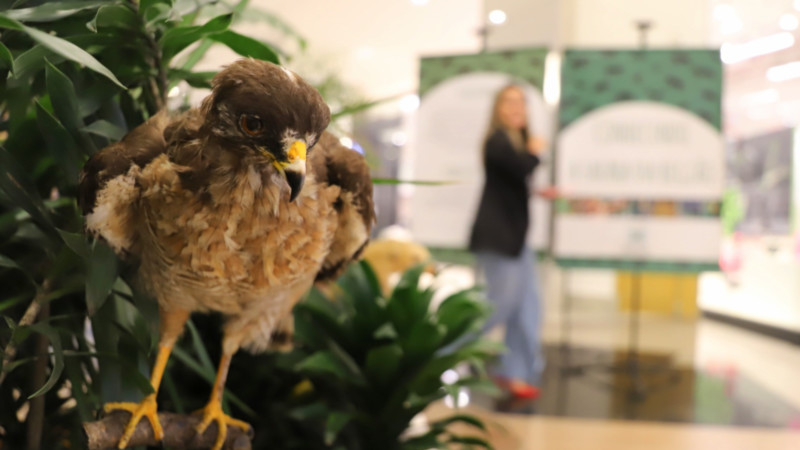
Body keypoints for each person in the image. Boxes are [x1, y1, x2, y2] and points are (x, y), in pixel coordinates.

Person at [468, 84, 552, 400]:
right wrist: (535, 152)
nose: (517, 107)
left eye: (521, 102)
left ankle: (515, 372)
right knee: (497, 307)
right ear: (498, 108)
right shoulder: (497, 141)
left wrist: (537, 190)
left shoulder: (514, 142)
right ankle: (433, 356)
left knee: (528, 306)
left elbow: (512, 183)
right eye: (509, 101)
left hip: (516, 240)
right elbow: (520, 168)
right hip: (499, 239)